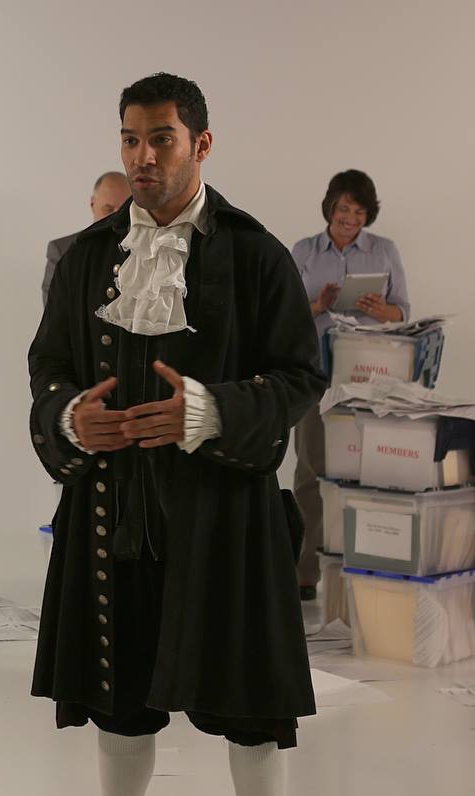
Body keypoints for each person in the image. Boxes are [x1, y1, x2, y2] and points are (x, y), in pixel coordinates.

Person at [28, 73, 327, 796]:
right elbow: (49, 367)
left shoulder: (256, 253)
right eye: (130, 140)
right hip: (114, 516)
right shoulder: (87, 257)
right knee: (120, 710)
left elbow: (300, 376)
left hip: (227, 520)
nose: (144, 157)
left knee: (253, 714)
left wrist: (212, 411)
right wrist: (71, 418)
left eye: (162, 139)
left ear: (201, 144)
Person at [291, 170, 410, 599]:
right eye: (344, 208)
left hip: (369, 380)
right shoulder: (304, 251)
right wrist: (318, 305)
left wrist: (381, 310)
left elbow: (403, 312)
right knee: (310, 472)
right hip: (314, 375)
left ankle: (366, 571)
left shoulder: (384, 251)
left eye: (359, 212)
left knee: (369, 473)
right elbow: (283, 315)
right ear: (331, 207)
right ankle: (305, 573)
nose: (350, 218)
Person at [43, 172, 131, 305]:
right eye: (108, 209)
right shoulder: (62, 250)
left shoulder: (148, 249)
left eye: (123, 211)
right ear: (92, 204)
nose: (117, 218)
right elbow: (54, 311)